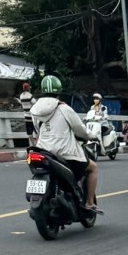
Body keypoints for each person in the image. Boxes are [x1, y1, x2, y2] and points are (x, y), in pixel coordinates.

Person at [30, 74, 98, 210]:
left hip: (43, 153)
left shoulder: (35, 111)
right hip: (66, 154)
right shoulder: (64, 108)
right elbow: (81, 131)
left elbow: (37, 131)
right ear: (59, 91)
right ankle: (90, 202)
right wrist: (92, 136)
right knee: (93, 168)